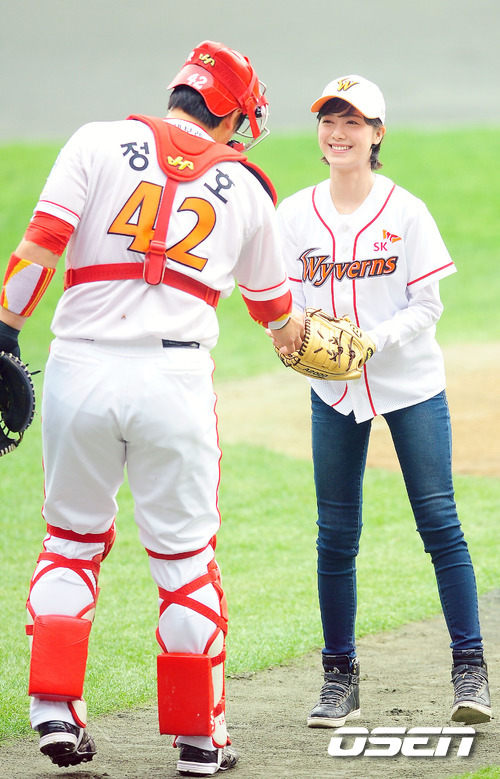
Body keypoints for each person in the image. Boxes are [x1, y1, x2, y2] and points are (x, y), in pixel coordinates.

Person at [0, 40, 304, 776]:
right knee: (185, 562)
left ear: (180, 93)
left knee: (71, 541)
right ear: (232, 115)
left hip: (80, 369)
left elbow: (40, 248)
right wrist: (314, 339)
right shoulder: (249, 188)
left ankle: (53, 708)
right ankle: (200, 740)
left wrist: (4, 336)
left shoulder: (95, 140)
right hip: (174, 380)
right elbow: (274, 312)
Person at [273, 74, 491, 729]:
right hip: (333, 392)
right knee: (336, 536)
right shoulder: (295, 216)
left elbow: (429, 305)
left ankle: (470, 670)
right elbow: (281, 304)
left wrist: (373, 339)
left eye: (353, 122)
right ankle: (338, 677)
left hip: (410, 386)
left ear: (377, 134)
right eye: (329, 120)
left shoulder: (406, 212)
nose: (338, 133)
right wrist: (290, 337)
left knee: (439, 522)